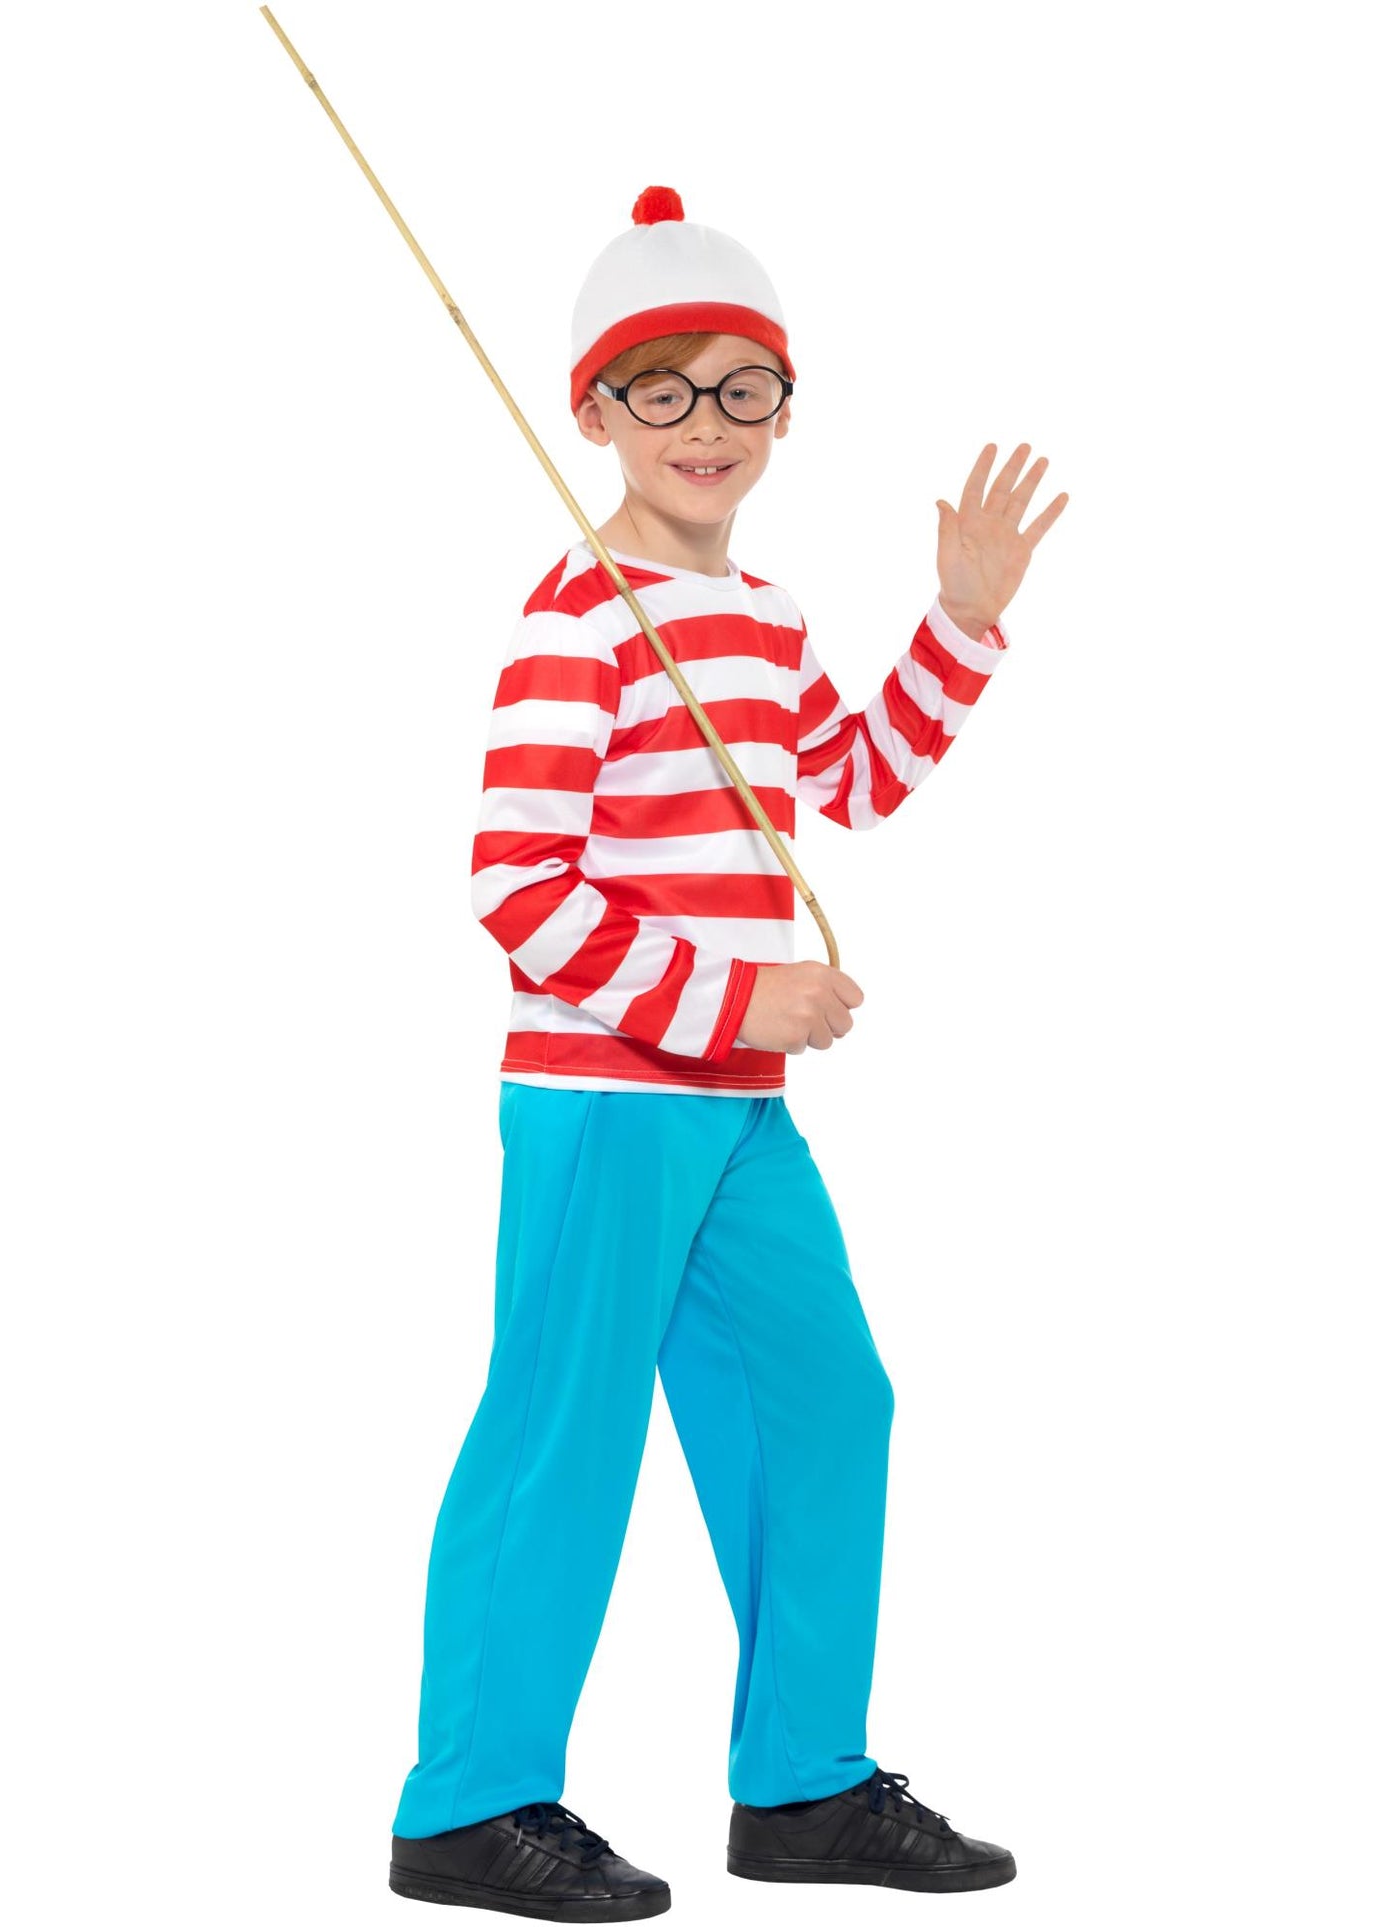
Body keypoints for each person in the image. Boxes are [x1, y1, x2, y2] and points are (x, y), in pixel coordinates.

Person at [388, 185, 1067, 1918]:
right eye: (664, 389)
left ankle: (802, 1785)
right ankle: (467, 1806)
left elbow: (852, 778)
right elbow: (514, 883)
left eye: (742, 389)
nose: (707, 424)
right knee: (562, 1431)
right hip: (604, 1106)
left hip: (738, 1120)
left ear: (781, 409)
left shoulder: (760, 617)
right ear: (593, 411)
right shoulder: (576, 618)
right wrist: (729, 997)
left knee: (828, 1400)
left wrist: (960, 623)